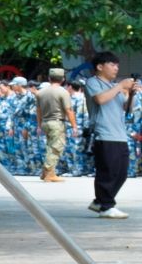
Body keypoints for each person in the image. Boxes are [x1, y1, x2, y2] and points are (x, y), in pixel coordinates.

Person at [83, 52, 135, 218]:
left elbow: (127, 109)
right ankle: (106, 206)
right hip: (104, 132)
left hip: (119, 133)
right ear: (100, 67)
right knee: (108, 172)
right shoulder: (93, 82)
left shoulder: (114, 87)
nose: (116, 68)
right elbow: (100, 99)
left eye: (117, 65)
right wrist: (120, 86)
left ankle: (100, 201)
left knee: (121, 173)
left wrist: (131, 93)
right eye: (112, 65)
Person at [35, 68, 74, 182]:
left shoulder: (40, 92)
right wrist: (74, 126)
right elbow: (68, 110)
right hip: (57, 122)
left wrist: (39, 125)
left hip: (45, 122)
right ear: (63, 79)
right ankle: (49, 173)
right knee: (56, 147)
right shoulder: (63, 92)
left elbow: (38, 111)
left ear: (49, 78)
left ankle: (46, 172)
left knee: (50, 147)